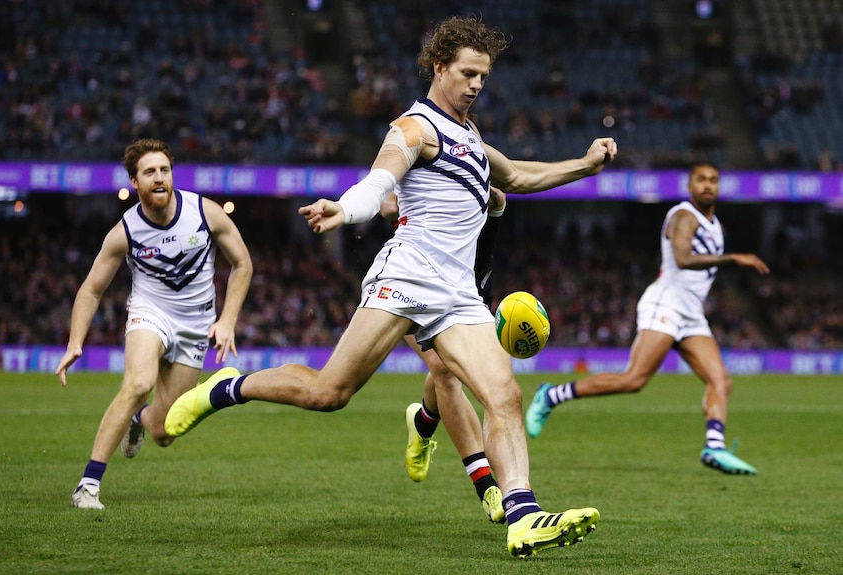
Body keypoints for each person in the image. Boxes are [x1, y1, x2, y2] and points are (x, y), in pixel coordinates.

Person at [165, 16, 616, 557]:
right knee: (328, 393)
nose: (476, 85)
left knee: (504, 394)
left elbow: (517, 177)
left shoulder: (471, 138)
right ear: (438, 67)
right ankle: (229, 387)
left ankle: (523, 514)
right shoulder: (415, 127)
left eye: (484, 77)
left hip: (457, 294)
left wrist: (587, 166)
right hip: (404, 277)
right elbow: (379, 180)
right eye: (468, 73)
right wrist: (345, 208)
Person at [525, 161, 769, 476]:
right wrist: (734, 258)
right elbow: (682, 258)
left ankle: (714, 447)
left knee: (720, 380)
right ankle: (551, 395)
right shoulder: (684, 216)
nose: (708, 185)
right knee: (634, 380)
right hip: (665, 302)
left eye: (713, 180)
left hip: (691, 312)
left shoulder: (716, 226)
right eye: (701, 180)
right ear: (690, 186)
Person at [55, 138, 253, 509]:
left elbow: (243, 264)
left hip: (197, 325)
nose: (159, 177)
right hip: (151, 314)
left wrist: (226, 321)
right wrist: (75, 342)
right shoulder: (125, 232)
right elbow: (91, 289)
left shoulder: (205, 213)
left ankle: (139, 418)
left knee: (165, 432)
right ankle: (88, 485)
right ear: (135, 182)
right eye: (150, 172)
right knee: (138, 383)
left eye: (164, 170)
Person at [384, 188, 506, 523]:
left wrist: (491, 196)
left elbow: (501, 196)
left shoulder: (472, 162)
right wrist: (392, 202)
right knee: (444, 370)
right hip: (409, 277)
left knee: (447, 373)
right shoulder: (420, 149)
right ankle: (486, 487)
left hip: (470, 284)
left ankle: (423, 422)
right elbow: (383, 200)